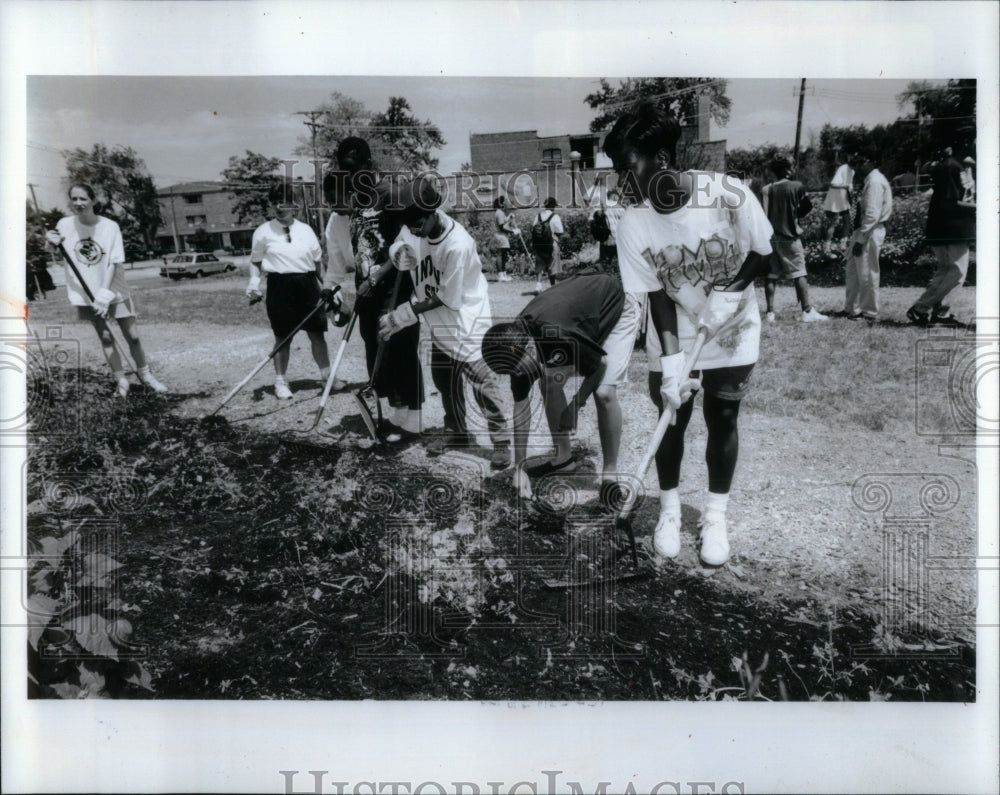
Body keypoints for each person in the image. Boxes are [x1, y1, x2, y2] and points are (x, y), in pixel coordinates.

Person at [604, 101, 773, 567]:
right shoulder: (634, 222)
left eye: (627, 166)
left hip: (733, 330)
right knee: (672, 422)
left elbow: (764, 250)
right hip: (674, 336)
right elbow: (657, 295)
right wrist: (673, 365)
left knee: (722, 418)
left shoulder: (727, 193)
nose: (621, 180)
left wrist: (733, 290)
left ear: (660, 157)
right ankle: (670, 510)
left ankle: (715, 516)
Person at [377, 175, 511, 469]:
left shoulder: (457, 244)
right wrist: (396, 254)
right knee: (444, 380)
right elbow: (399, 245)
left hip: (466, 319)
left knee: (483, 384)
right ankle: (457, 432)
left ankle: (501, 442)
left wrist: (403, 315)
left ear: (432, 213)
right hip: (439, 323)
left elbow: (448, 297)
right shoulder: (412, 230)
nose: (412, 230)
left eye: (417, 224)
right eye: (408, 225)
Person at [480, 264, 642, 498]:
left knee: (604, 392)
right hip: (582, 310)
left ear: (528, 349)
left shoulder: (556, 333)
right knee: (548, 382)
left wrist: (575, 406)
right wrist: (519, 467)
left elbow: (600, 366)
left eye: (516, 371)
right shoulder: (514, 343)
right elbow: (521, 409)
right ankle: (563, 458)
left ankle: (610, 475)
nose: (517, 377)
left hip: (617, 300)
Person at [321, 137, 423, 440]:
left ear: (368, 164)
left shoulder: (389, 195)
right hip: (367, 292)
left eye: (353, 169)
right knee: (377, 352)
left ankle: (413, 421)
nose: (350, 176)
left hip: (396, 289)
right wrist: (339, 286)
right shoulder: (354, 202)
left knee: (402, 350)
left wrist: (378, 278)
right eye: (344, 170)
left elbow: (409, 245)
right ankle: (395, 413)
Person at [45, 183, 168, 397]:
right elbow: (55, 253)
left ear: (93, 200)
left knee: (133, 336)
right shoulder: (64, 224)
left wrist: (103, 295)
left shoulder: (109, 226)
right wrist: (50, 243)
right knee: (106, 338)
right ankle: (121, 380)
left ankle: (146, 375)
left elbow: (113, 262)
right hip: (85, 292)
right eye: (74, 199)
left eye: (83, 198)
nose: (78, 203)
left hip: (113, 289)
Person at [246, 179, 330, 400]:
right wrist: (253, 284)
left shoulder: (307, 230)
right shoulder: (262, 232)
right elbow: (255, 262)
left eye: (284, 202)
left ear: (294, 205)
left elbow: (319, 265)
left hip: (308, 284)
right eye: (275, 202)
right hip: (279, 286)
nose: (280, 207)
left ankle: (327, 378)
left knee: (317, 335)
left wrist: (331, 288)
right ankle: (281, 382)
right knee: (283, 337)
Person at [906, 148, 976, 326]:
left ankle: (941, 313)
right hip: (949, 228)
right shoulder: (951, 166)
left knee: (951, 272)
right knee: (955, 272)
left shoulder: (958, 166)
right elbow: (950, 203)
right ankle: (920, 308)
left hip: (954, 227)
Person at [761, 156, 827, 322]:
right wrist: (794, 217)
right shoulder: (797, 186)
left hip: (771, 238)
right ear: (786, 170)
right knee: (799, 273)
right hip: (789, 236)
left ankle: (770, 312)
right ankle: (806, 310)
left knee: (771, 274)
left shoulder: (766, 189)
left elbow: (763, 214)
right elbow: (806, 207)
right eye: (791, 167)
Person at [843, 156, 893, 324]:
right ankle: (853, 308)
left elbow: (872, 214)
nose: (855, 168)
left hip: (870, 230)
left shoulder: (875, 182)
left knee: (867, 272)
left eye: (857, 164)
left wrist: (861, 239)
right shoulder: (869, 181)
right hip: (863, 230)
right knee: (853, 272)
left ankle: (869, 311)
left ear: (867, 162)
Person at [821, 155, 855, 257]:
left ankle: (842, 245)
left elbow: (850, 185)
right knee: (834, 222)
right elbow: (833, 184)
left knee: (847, 220)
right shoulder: (843, 168)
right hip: (835, 199)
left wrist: (850, 191)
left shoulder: (853, 171)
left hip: (844, 198)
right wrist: (846, 186)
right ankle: (826, 248)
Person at [530, 197, 565, 293]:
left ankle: (538, 285)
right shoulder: (555, 217)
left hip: (539, 244)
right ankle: (552, 286)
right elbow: (560, 232)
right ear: (553, 206)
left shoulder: (538, 216)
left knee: (540, 264)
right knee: (552, 265)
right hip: (551, 243)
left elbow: (533, 229)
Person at [492, 195, 518, 282]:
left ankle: (503, 274)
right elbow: (501, 226)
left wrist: (509, 217)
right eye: (504, 202)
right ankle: (500, 275)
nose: (506, 203)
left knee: (503, 254)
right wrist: (513, 231)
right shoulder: (499, 213)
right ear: (502, 203)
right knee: (500, 254)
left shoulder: (500, 212)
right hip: (500, 235)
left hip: (501, 235)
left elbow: (503, 222)